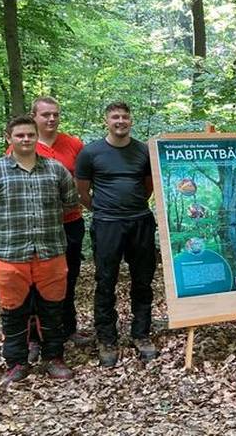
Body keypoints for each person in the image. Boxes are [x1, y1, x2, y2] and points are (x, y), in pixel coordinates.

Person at [0, 116, 78, 387]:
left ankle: (54, 357)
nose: (26, 139)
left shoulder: (55, 170)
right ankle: (16, 362)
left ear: (36, 136)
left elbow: (71, 203)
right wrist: (5, 225)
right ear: (9, 138)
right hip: (9, 254)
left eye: (30, 134)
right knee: (12, 311)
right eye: (20, 135)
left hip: (50, 251)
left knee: (53, 309)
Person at [7, 97, 89, 364]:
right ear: (34, 116)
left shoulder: (74, 144)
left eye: (55, 114)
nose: (51, 119)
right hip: (36, 228)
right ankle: (34, 337)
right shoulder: (24, 143)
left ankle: (67, 329)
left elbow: (87, 175)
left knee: (69, 277)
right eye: (45, 115)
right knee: (33, 283)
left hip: (70, 222)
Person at [76, 102, 158, 367]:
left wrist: (132, 207)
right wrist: (105, 210)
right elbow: (82, 192)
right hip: (107, 224)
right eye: (115, 117)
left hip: (140, 222)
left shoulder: (143, 151)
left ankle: (141, 333)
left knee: (143, 280)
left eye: (125, 116)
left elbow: (148, 186)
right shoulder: (91, 152)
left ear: (130, 120)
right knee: (105, 280)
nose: (120, 121)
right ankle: (107, 338)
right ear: (106, 120)